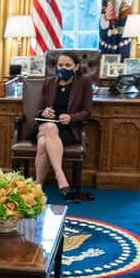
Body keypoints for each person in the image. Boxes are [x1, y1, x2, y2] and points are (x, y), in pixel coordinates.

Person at [25, 52, 93, 196]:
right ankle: (60, 175)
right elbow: (39, 110)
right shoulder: (49, 82)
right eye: (60, 65)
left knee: (43, 143)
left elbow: (87, 112)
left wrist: (71, 117)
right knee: (50, 126)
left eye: (68, 65)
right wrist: (44, 112)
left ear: (76, 67)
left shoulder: (84, 81)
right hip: (47, 125)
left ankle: (38, 185)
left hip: (68, 129)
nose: (63, 68)